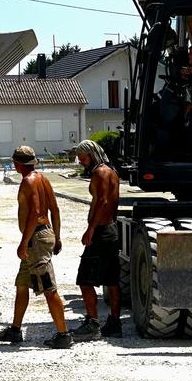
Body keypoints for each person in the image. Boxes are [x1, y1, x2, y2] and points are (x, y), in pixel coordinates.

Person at [0, 146, 72, 349]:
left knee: (48, 288)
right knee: (22, 285)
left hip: (35, 240)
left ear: (17, 164)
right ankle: (15, 330)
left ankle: (64, 334)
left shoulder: (28, 181)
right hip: (43, 235)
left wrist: (23, 242)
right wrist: (57, 237)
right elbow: (55, 209)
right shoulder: (43, 178)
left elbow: (35, 214)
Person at [69, 140, 122, 340]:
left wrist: (90, 229)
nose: (82, 162)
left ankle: (92, 323)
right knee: (111, 279)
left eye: (83, 159)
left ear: (92, 154)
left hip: (101, 230)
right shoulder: (112, 172)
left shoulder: (99, 173)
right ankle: (115, 323)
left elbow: (102, 201)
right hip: (111, 230)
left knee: (84, 279)